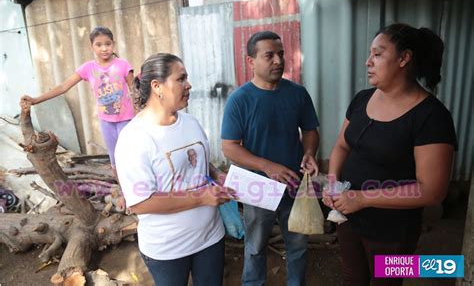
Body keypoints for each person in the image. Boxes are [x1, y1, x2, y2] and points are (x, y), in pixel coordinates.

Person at [322, 23, 457, 286]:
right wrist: (332, 181)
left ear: (404, 58)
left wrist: (362, 198)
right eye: (370, 54)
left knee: (387, 283)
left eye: (378, 54)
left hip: (393, 230)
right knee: (353, 278)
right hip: (348, 217)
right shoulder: (362, 99)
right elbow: (342, 145)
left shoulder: (432, 117)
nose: (368, 61)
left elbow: (432, 191)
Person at [115, 53, 235, 286]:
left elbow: (198, 163)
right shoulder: (135, 138)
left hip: (210, 236)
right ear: (157, 86)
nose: (188, 85)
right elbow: (140, 202)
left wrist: (218, 175)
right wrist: (200, 198)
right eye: (181, 79)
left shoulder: (190, 122)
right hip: (168, 248)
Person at [221, 31, 320, 286]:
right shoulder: (239, 100)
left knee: (298, 244)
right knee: (255, 245)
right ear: (251, 61)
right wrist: (267, 166)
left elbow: (310, 131)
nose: (278, 60)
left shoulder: (297, 93)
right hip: (258, 187)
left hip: (295, 184)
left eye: (281, 54)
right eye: (269, 55)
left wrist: (309, 153)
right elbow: (230, 148)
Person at [20, 26, 134, 209]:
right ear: (92, 47)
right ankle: (127, 195)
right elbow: (63, 87)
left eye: (108, 44)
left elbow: (135, 91)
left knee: (130, 158)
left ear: (113, 44)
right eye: (99, 45)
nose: (104, 48)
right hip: (107, 122)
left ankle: (139, 193)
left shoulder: (123, 65)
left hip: (127, 119)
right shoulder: (88, 68)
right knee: (115, 163)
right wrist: (36, 100)